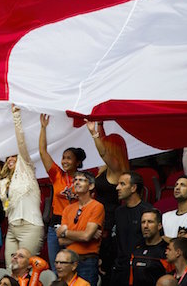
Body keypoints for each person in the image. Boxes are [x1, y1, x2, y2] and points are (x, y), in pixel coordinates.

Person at [0, 105, 43, 267]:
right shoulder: (4, 183)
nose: (11, 158)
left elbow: (21, 143)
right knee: (10, 268)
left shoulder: (27, 172)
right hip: (12, 228)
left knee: (26, 268)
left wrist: (16, 117)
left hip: (30, 227)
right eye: (8, 157)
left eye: (14, 156)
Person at [85, 120, 129, 285]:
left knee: (104, 263)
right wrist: (100, 125)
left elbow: (103, 152)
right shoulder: (107, 169)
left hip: (108, 220)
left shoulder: (117, 168)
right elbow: (104, 150)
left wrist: (93, 133)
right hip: (98, 216)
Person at [39, 113, 85, 270]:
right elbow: (43, 152)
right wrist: (43, 128)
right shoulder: (56, 174)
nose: (64, 161)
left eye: (69, 158)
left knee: (72, 266)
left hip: (75, 225)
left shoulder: (84, 179)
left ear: (77, 162)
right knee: (56, 267)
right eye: (63, 157)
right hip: (55, 225)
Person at [58, 171, 104, 286]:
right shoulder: (68, 209)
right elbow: (61, 240)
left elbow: (85, 236)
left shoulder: (97, 206)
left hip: (87, 260)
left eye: (81, 180)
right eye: (75, 180)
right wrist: (85, 235)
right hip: (68, 262)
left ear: (91, 186)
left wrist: (66, 233)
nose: (77, 182)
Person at [111, 171, 152, 285]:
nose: (117, 188)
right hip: (120, 268)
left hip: (140, 268)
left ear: (133, 188)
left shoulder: (147, 211)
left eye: (122, 184)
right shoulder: (118, 212)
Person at [129, 209, 170, 286]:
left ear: (159, 226)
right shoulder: (137, 248)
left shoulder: (167, 251)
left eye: (150, 222)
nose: (145, 226)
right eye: (143, 222)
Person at [162, 176, 187, 241]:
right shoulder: (165, 216)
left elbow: (184, 243)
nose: (177, 188)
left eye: (182, 185)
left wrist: (164, 239)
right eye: (176, 185)